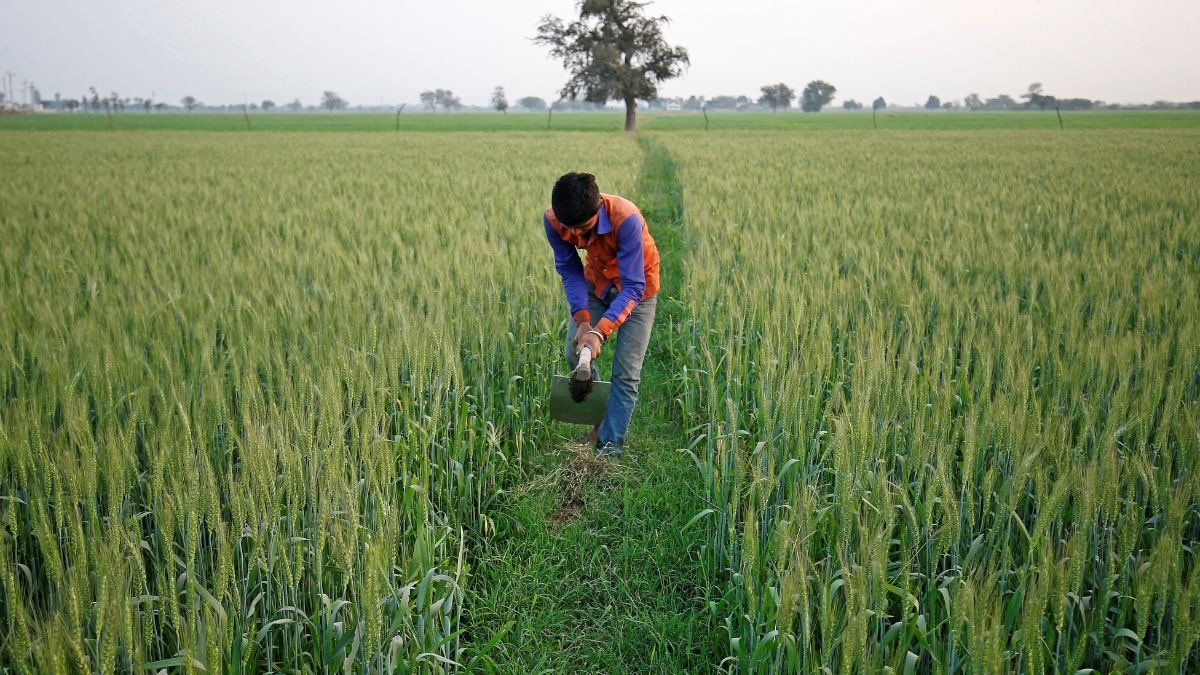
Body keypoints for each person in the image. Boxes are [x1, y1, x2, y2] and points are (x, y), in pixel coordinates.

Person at [543, 172, 660, 456]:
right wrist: (584, 321)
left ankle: (609, 450)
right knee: (575, 352)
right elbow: (570, 270)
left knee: (626, 374)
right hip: (597, 284)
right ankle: (599, 422)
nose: (579, 237)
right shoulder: (553, 221)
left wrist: (599, 332)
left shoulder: (626, 219)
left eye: (585, 228)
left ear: (598, 208)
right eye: (573, 230)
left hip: (638, 291)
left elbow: (633, 287)